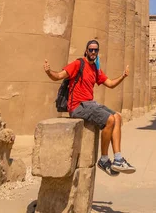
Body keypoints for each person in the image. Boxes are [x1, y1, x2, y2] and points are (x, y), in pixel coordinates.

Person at [43, 39, 135, 176]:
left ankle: (118, 159)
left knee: (117, 117)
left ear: (98, 52)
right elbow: (59, 76)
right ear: (86, 50)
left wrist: (123, 76)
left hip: (89, 104)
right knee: (109, 120)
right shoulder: (78, 64)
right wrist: (49, 71)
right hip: (77, 106)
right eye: (90, 49)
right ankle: (104, 159)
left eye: (95, 50)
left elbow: (109, 83)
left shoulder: (95, 69)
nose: (93, 52)